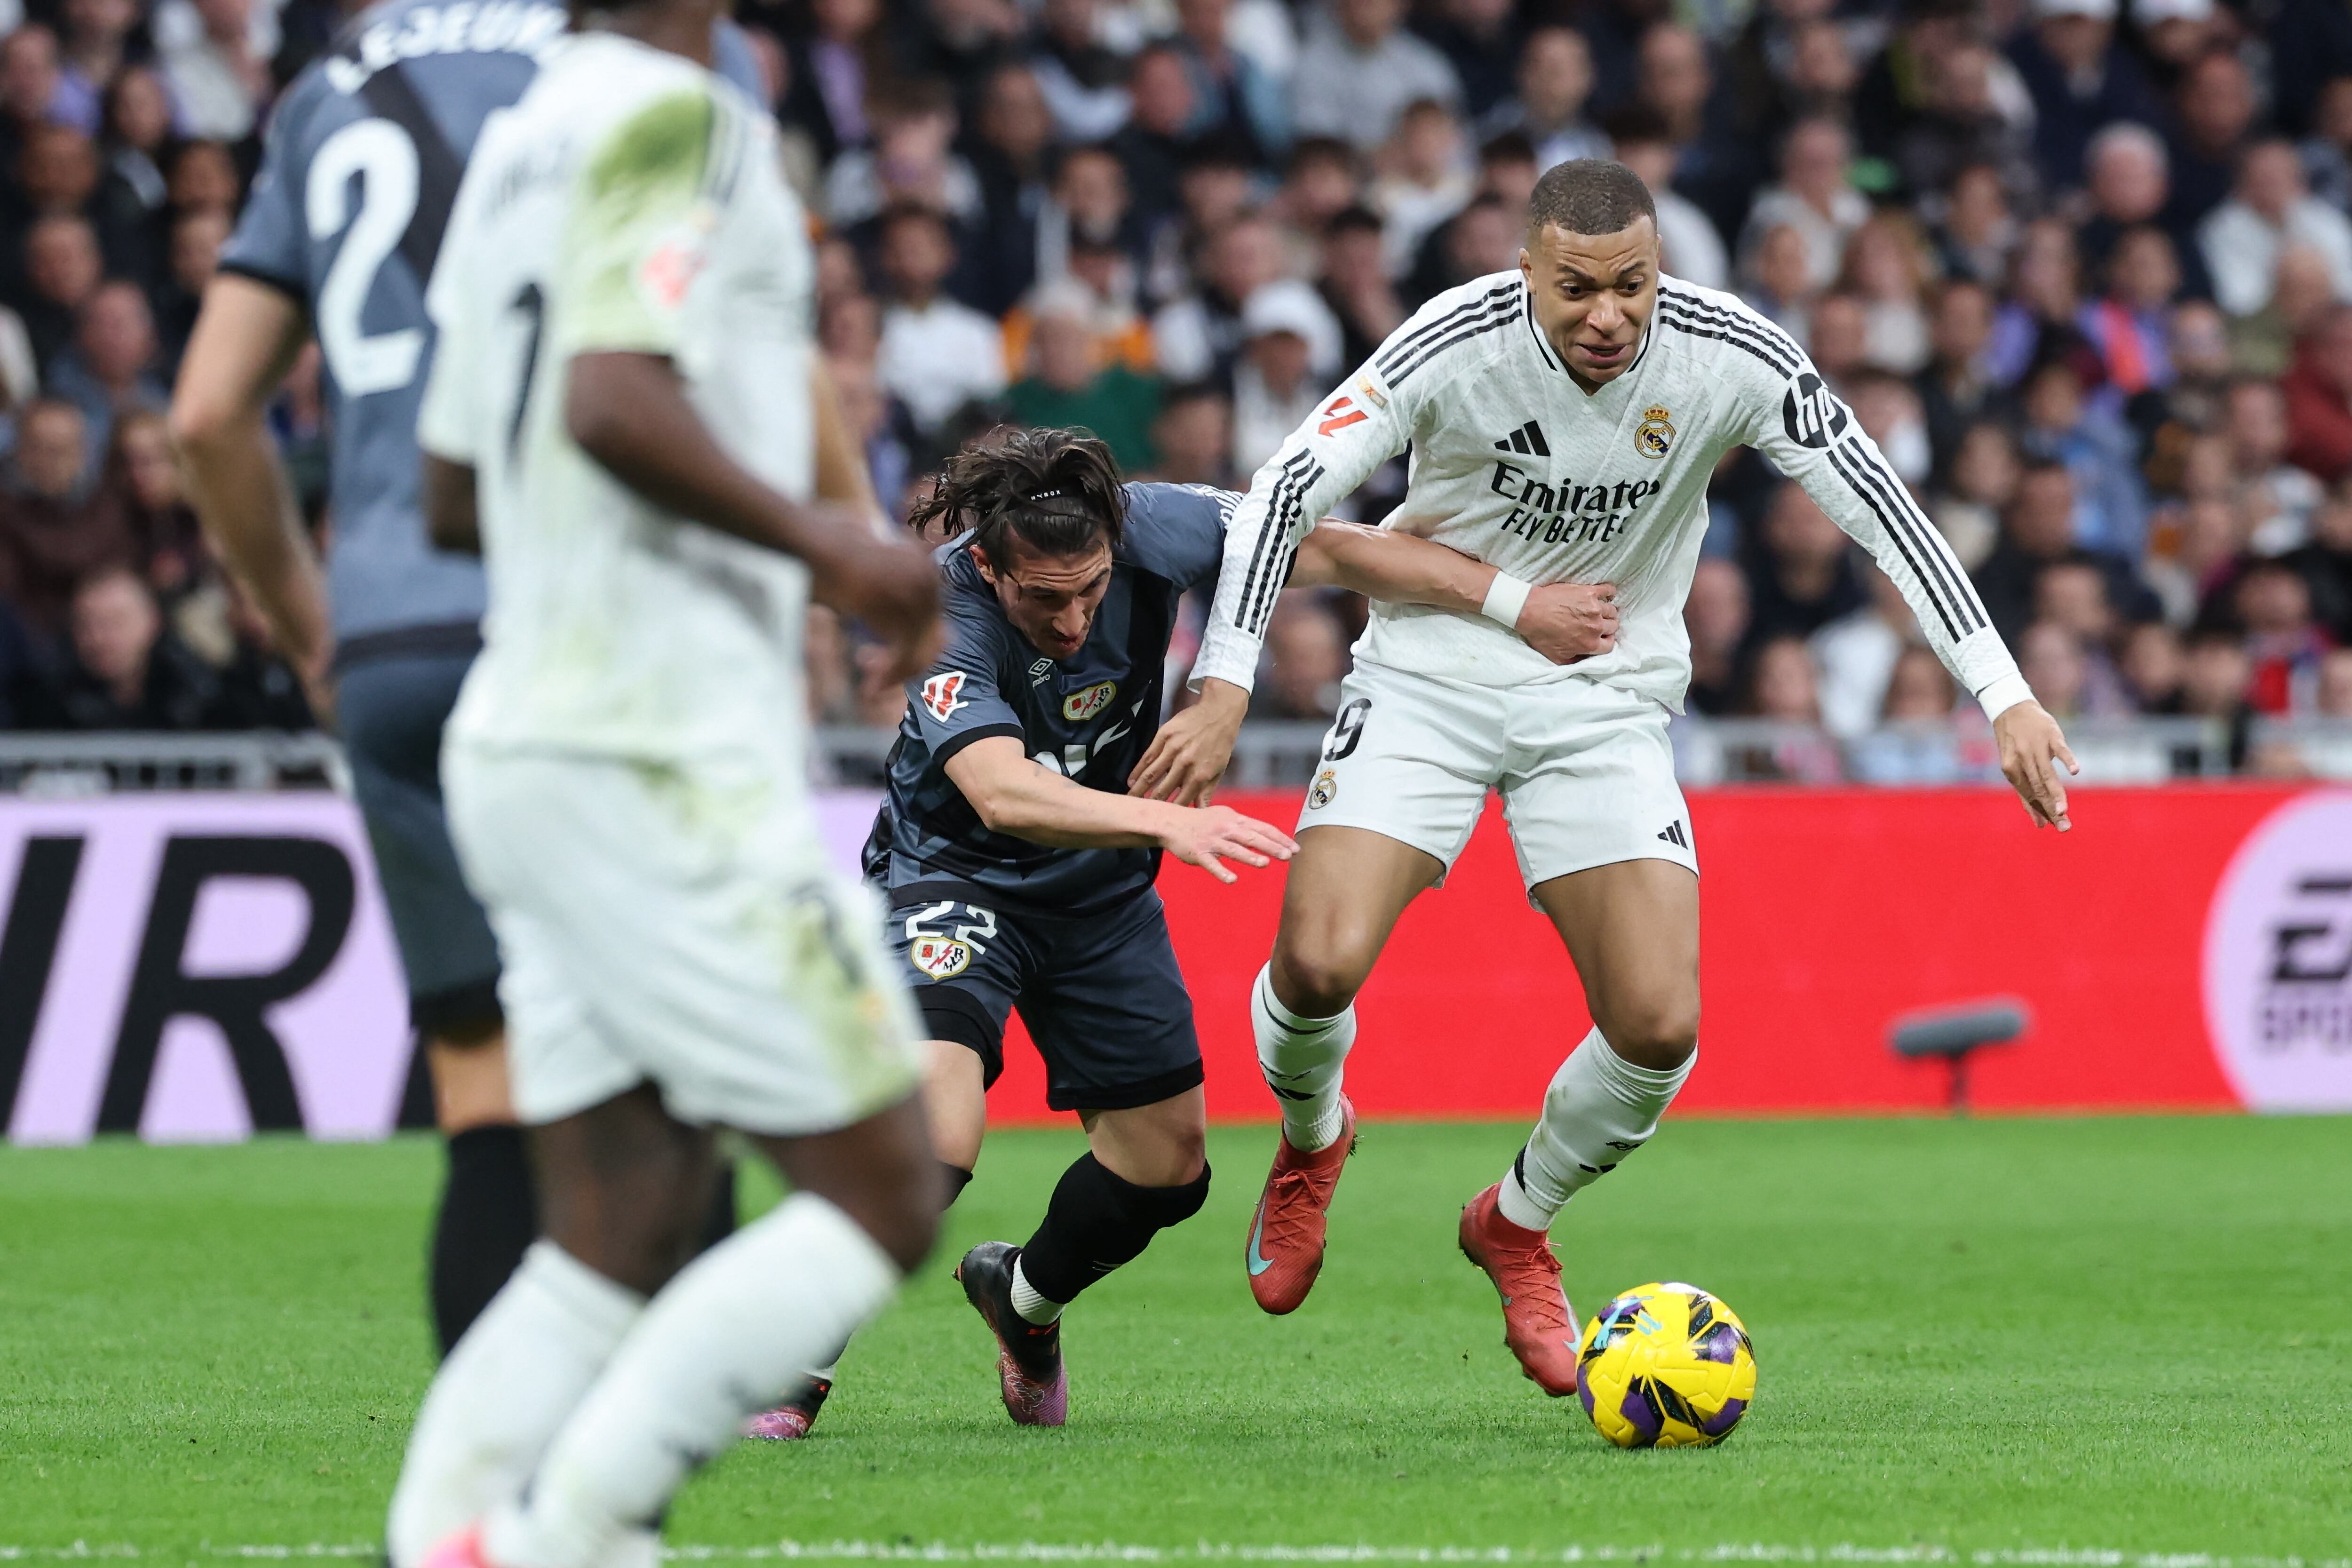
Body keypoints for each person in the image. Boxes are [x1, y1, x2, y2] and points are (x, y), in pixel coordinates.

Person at [1135, 159, 2076, 1396]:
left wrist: (2003, 690)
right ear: (1528, 270)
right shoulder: (1455, 341)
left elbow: (1884, 511)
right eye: (1578, 287)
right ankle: (1315, 1138)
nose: (1608, 314)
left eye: (1632, 285)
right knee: (1315, 962)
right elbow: (1284, 493)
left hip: (1605, 694)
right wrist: (1226, 683)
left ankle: (1516, 1220)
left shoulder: (1728, 353)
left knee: (1659, 1020)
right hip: (1432, 671)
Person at [384, 0, 948, 1556]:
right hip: (657, 751)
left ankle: (446, 1535)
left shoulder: (516, 137)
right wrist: (833, 545)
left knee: (616, 1223)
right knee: (889, 1186)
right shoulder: (684, 120)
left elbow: (450, 487)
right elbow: (610, 399)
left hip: (532, 733)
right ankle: (572, 1532)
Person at [789, 426, 1618, 1434]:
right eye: (1041, 597)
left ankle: (1021, 1301)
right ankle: (795, 1366)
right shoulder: (935, 608)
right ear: (988, 563)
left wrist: (1517, 603)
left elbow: (1343, 550)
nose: (1072, 617)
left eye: (1090, 589)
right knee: (939, 1130)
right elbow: (1000, 790)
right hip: (957, 877)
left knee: (1165, 1168)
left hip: (1098, 897)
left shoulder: (1163, 527)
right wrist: (1171, 820)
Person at [169, 0, 767, 1364]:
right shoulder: (660, 49)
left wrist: (310, 623)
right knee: (679, 1058)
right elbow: (727, 345)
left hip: (392, 637)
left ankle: (478, 1503)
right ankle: (642, 1460)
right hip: (590, 616)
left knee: (484, 1087)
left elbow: (206, 414)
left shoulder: (327, 90)